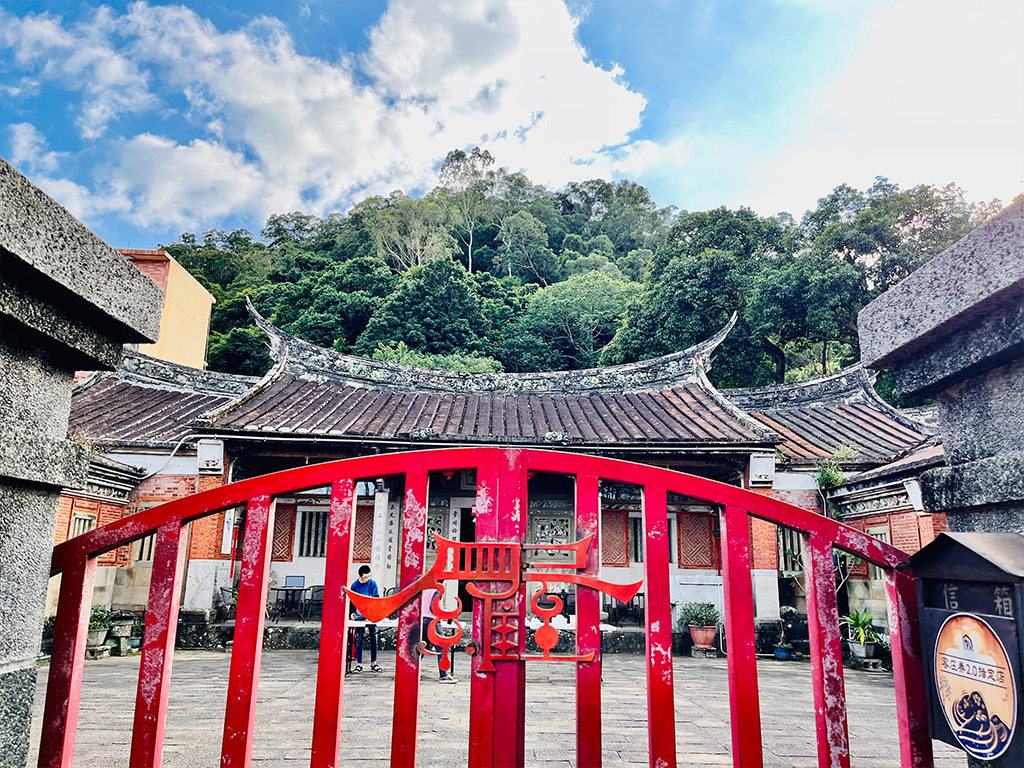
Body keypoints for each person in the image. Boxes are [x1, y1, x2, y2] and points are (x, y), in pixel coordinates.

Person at [349, 565, 382, 673]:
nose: (367, 579)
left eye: (368, 576)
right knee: (359, 639)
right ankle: (359, 664)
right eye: (365, 577)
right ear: (360, 576)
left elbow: (376, 599)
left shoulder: (372, 583)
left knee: (374, 639)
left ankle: (374, 663)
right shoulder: (354, 586)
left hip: (371, 615)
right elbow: (352, 602)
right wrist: (352, 613)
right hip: (359, 615)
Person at [423, 587, 457, 683]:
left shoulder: (428, 590)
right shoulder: (437, 591)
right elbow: (433, 607)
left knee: (422, 647)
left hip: (423, 619)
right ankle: (444, 674)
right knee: (442, 647)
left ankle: (413, 671)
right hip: (432, 621)